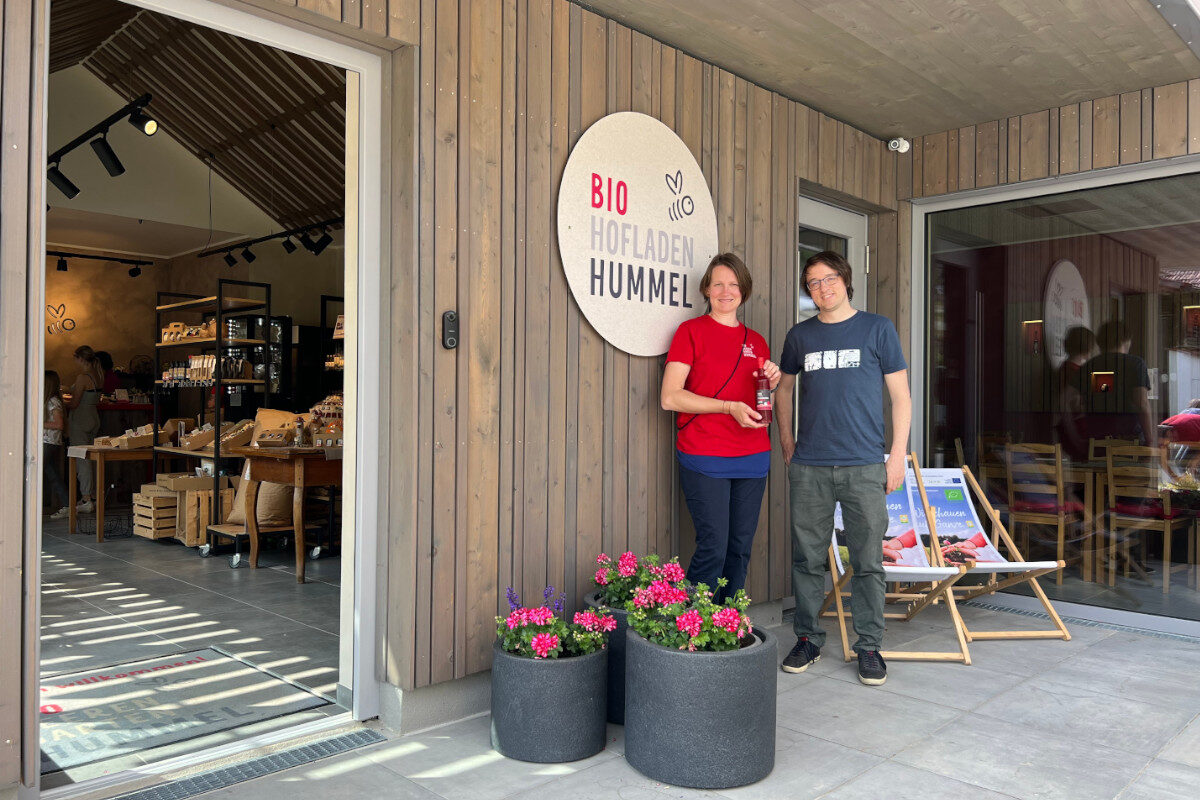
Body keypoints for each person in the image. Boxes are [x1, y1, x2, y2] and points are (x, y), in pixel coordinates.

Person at [775, 250, 910, 686]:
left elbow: (902, 398)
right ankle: (809, 638)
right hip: (810, 466)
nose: (822, 288)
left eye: (829, 278)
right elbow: (783, 391)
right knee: (808, 558)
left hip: (865, 465)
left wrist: (896, 456)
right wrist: (787, 441)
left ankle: (869, 646)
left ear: (846, 281)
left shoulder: (877, 329)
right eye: (813, 282)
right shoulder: (799, 336)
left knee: (869, 560)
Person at [661, 252, 781, 602]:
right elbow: (670, 397)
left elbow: (759, 398)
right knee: (713, 546)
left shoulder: (756, 340)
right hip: (704, 454)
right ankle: (695, 628)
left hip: (753, 455)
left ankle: (727, 625)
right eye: (718, 284)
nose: (725, 291)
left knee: (739, 549)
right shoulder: (690, 332)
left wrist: (770, 382)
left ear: (743, 290)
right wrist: (728, 407)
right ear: (707, 290)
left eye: (733, 284)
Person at [1082, 320, 1154, 447]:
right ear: (1125, 340)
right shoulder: (1135, 364)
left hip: (1097, 439)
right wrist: (1149, 439)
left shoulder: (1094, 364)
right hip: (1129, 439)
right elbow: (1142, 403)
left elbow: (1102, 397)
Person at [65, 345, 103, 513]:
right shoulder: (99, 374)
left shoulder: (82, 377)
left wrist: (61, 399)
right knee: (91, 457)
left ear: (80, 358)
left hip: (80, 419)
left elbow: (74, 403)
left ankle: (86, 498)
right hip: (93, 417)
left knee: (82, 459)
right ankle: (92, 496)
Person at [1054, 325, 1096, 461]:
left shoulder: (1064, 369)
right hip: (1077, 428)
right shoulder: (1076, 373)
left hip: (1068, 428)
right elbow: (1069, 404)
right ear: (1088, 348)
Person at [43, 371, 71, 520]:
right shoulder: (52, 400)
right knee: (52, 474)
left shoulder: (52, 401)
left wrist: (39, 423)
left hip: (49, 441)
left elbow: (59, 424)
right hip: (49, 441)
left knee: (34, 471)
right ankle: (68, 505)